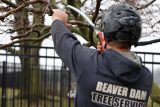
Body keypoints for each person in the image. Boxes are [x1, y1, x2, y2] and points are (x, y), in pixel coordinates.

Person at [51, 2, 153, 107]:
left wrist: (58, 19)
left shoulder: (88, 63)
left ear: (106, 29)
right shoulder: (146, 78)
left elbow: (63, 42)